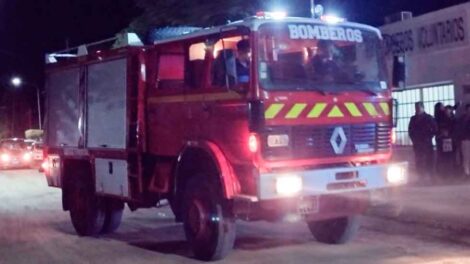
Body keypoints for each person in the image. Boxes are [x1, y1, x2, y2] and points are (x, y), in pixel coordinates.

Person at [409, 101, 438, 182]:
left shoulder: (429, 118)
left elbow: (435, 129)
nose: (417, 109)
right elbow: (410, 131)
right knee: (419, 161)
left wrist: (429, 137)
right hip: (417, 143)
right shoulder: (413, 119)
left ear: (423, 107)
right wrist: (414, 140)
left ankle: (432, 177)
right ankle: (421, 177)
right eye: (416, 108)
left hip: (427, 142)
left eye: (419, 107)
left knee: (430, 160)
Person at [458, 104, 470, 178]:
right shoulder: (462, 119)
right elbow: (460, 130)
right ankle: (467, 174)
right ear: (466, 110)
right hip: (465, 140)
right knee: (466, 158)